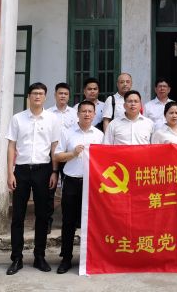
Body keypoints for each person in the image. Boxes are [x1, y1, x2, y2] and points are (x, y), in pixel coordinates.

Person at [4, 82, 60, 275]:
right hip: (21, 170)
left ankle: (39, 256)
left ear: (45, 97)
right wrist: (10, 172)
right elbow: (11, 146)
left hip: (43, 170)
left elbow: (54, 147)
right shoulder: (18, 119)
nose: (37, 96)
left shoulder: (52, 119)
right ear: (29, 96)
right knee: (18, 215)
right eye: (34, 93)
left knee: (42, 215)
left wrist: (54, 172)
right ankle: (16, 258)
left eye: (41, 93)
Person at [53, 100, 104, 274]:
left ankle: (90, 258)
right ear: (78, 114)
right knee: (68, 222)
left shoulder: (99, 135)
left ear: (94, 114)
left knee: (92, 222)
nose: (87, 114)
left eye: (90, 111)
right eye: (84, 111)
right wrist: (73, 153)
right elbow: (58, 156)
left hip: (92, 184)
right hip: (71, 182)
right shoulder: (67, 132)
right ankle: (66, 258)